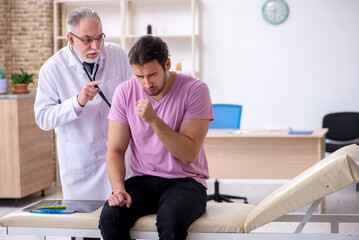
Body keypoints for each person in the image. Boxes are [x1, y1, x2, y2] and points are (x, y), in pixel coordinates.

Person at [99, 35, 214, 240]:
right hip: (142, 180)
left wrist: (154, 120)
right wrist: (118, 189)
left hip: (186, 181)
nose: (146, 84)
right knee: (110, 216)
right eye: (139, 76)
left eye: (152, 74)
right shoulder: (124, 92)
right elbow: (116, 150)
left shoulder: (195, 90)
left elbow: (188, 154)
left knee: (171, 219)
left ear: (167, 64)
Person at [34, 7, 133, 200]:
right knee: (83, 226)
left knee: (121, 221)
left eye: (99, 37)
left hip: (122, 160)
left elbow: (134, 94)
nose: (96, 46)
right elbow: (43, 118)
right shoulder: (52, 69)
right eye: (87, 40)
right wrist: (77, 102)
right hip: (82, 165)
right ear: (71, 39)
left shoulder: (117, 55)